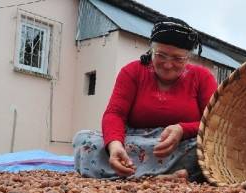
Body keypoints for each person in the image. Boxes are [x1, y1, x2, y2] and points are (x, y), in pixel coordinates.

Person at [73, 17, 218, 181]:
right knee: (84, 140)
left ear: (188, 57)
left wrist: (183, 130)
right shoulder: (132, 72)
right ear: (151, 51)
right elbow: (115, 114)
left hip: (181, 145)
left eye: (177, 58)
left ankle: (136, 175)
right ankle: (176, 175)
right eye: (161, 55)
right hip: (136, 141)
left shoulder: (202, 77)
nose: (168, 65)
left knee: (210, 150)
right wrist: (115, 145)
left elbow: (213, 124)